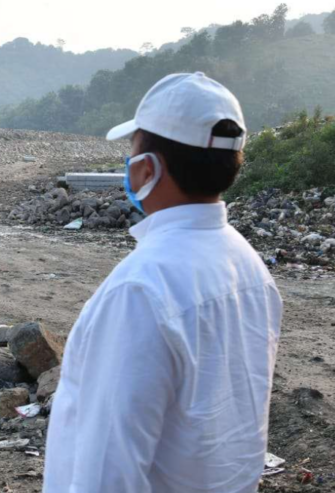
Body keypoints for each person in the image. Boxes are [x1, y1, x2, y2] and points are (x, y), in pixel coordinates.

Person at [43, 72, 282, 493]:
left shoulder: (140, 289)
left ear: (146, 169)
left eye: (132, 152)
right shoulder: (249, 264)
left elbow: (107, 472)